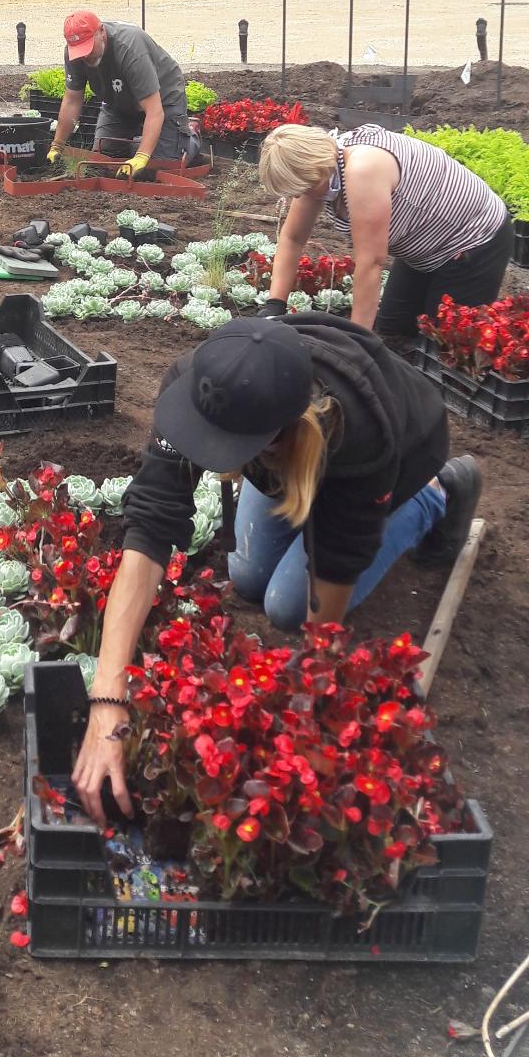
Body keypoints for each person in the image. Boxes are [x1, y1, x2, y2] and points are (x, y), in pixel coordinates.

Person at [72, 314, 481, 824]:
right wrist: (107, 699)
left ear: (277, 436)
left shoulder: (359, 435)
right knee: (247, 576)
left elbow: (331, 592)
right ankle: (299, 493)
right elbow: (150, 525)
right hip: (291, 456)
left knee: (287, 606)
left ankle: (441, 494)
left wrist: (304, 733)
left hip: (402, 451)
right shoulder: (197, 384)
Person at [258, 122, 513, 337]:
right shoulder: (319, 175)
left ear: (314, 168)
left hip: (473, 241)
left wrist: (355, 343)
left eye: (303, 188)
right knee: (394, 329)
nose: (301, 197)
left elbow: (371, 261)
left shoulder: (362, 168)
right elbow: (292, 238)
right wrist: (274, 305)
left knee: (443, 341)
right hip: (421, 247)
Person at [47, 9, 192, 179]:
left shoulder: (129, 48)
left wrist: (141, 156)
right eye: (79, 51)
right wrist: (57, 145)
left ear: (101, 32)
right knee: (104, 158)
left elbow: (154, 110)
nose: (85, 55)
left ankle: (188, 140)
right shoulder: (75, 54)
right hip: (118, 103)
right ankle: (142, 142)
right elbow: (72, 100)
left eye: (88, 47)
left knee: (157, 167)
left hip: (163, 99)